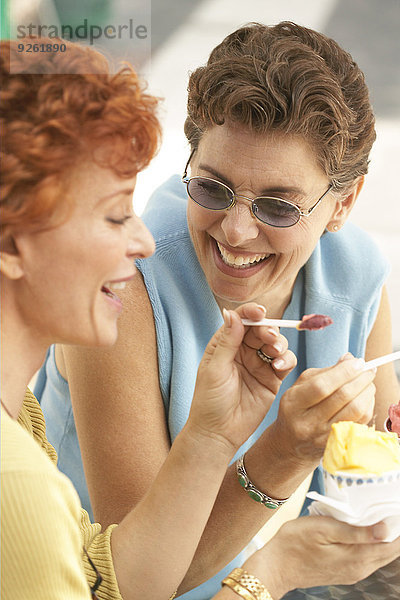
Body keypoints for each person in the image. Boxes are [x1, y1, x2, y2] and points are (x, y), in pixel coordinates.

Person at [31, 23, 399, 596]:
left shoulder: (358, 276)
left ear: (342, 205)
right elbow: (138, 579)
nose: (236, 230)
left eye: (279, 207)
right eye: (212, 189)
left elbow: (378, 475)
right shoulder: (120, 283)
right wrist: (280, 457)